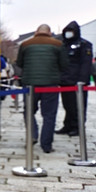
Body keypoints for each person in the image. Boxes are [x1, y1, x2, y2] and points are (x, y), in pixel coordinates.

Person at [15, 24, 68, 153]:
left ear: (36, 32)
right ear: (49, 33)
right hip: (50, 84)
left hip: (30, 84)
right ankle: (46, 144)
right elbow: (64, 64)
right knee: (49, 115)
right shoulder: (58, 45)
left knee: (29, 111)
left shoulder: (26, 44)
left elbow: (19, 63)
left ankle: (32, 134)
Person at [56, 21, 93, 136]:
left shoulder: (84, 44)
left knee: (78, 105)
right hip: (65, 80)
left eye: (70, 32)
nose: (68, 34)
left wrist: (82, 80)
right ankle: (68, 125)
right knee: (67, 105)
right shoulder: (63, 44)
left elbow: (86, 64)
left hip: (77, 81)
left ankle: (78, 127)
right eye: (67, 31)